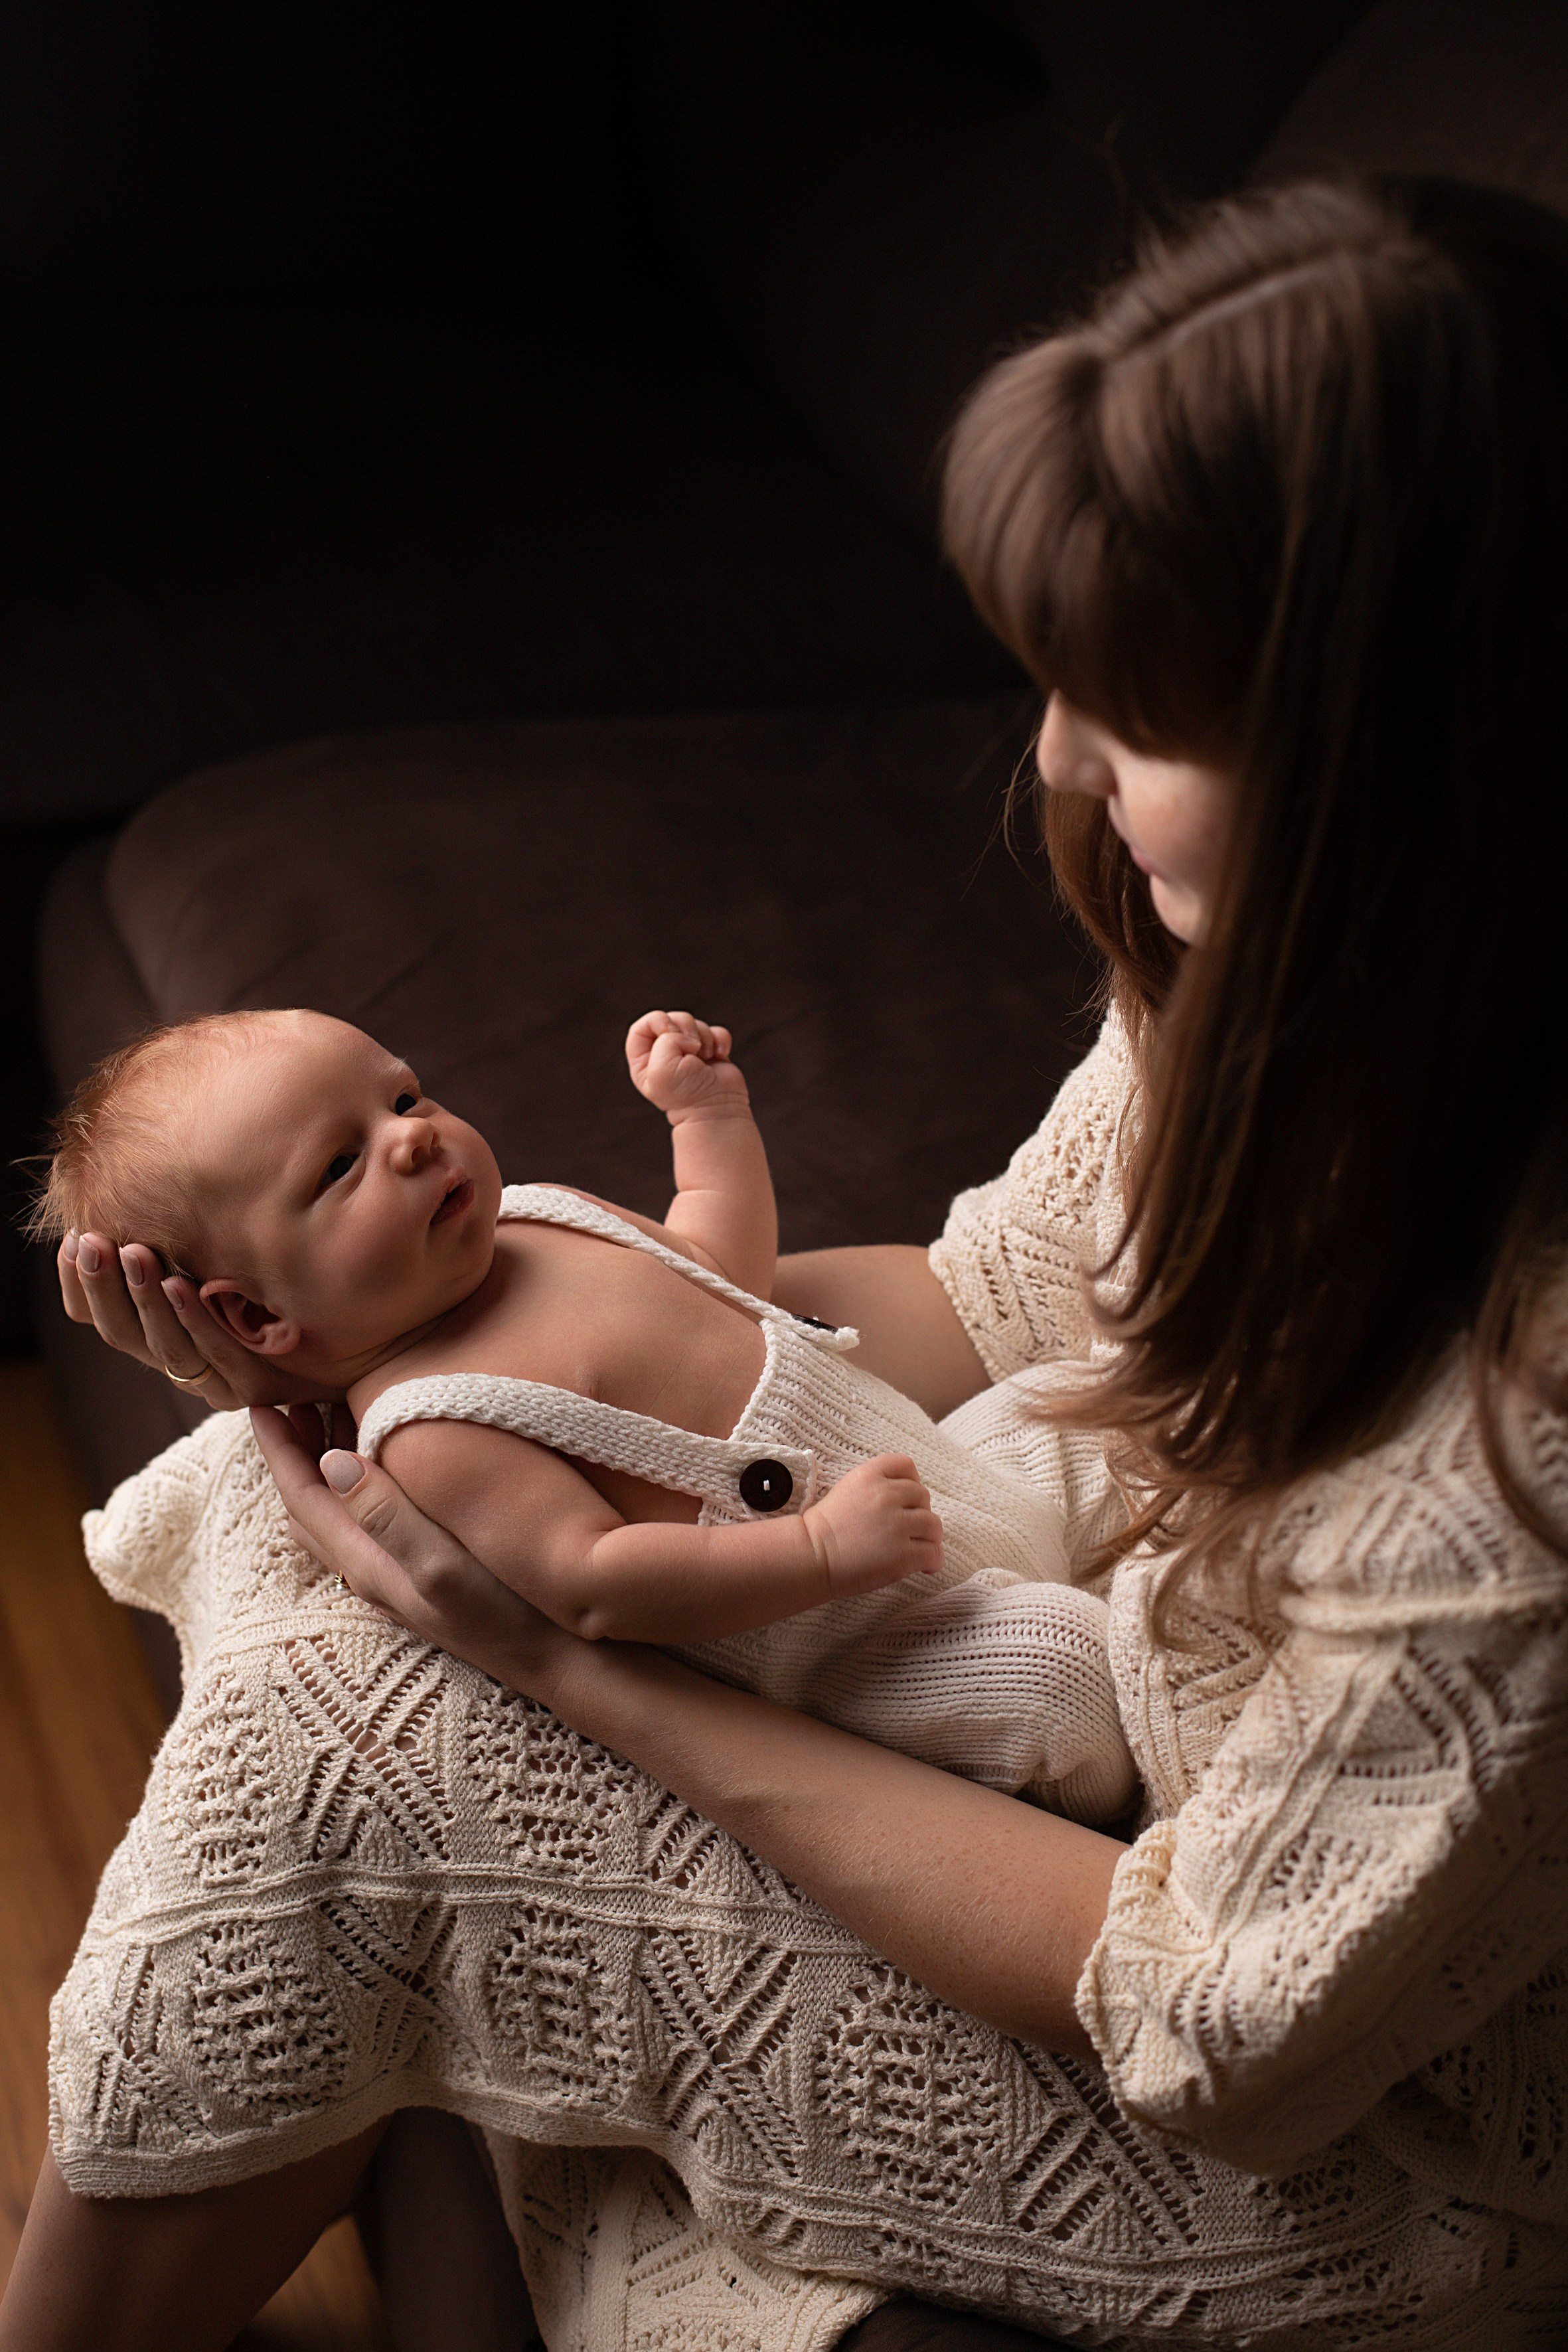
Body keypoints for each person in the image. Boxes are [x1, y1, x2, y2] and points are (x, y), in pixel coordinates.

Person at [8, 172, 1568, 2351]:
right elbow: (1014, 1293)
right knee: (312, 1524)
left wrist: (571, 1657)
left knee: (342, 1739)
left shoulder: (1516, 1455)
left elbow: (1224, 2015)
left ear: (1398, 761)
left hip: (1347, 2142)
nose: (1052, 760)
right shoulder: (1306, 974)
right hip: (1076, 1663)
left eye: (1134, 712)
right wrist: (405, 1370)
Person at [29, 1001, 1132, 1814]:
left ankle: (1164, 1587)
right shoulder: (435, 1422)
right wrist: (819, 1551)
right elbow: (596, 1584)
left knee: (1080, 1405)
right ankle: (1120, 1774)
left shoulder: (543, 1218)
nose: (411, 1137)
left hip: (945, 1477)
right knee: (1061, 1680)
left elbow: (719, 1262)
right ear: (257, 1319)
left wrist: (708, 1123)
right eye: (337, 1167)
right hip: (874, 1630)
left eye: (403, 1097)